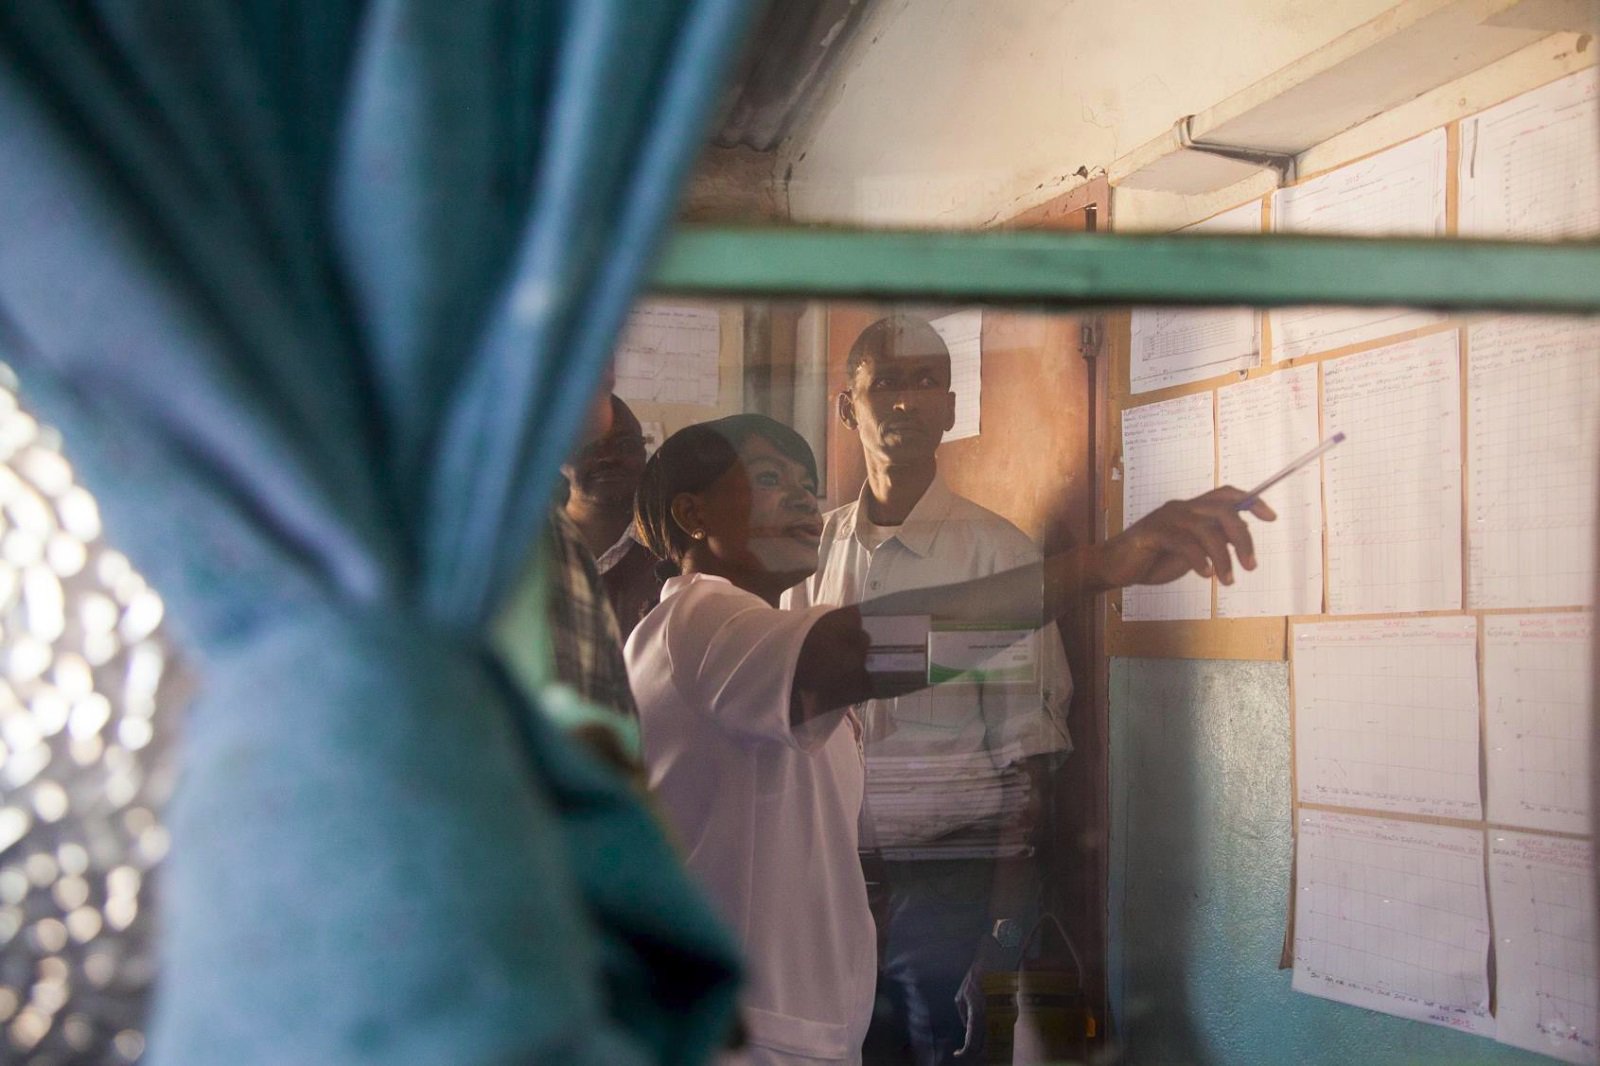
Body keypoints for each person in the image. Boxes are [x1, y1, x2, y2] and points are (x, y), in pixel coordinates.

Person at [627, 412, 1271, 1066]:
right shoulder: (701, 620)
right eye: (769, 479)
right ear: (692, 513)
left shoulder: (741, 639)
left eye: (807, 484)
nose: (803, 500)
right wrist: (1097, 567)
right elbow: (867, 649)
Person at [784, 314, 1270, 1064]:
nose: (906, 401)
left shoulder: (1000, 560)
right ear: (848, 407)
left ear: (951, 407)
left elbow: (1030, 764)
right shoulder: (806, 558)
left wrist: (1001, 931)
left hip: (950, 888)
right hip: (828, 878)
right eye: (885, 384)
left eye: (926, 382)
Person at [560, 393, 663, 641]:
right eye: (589, 446)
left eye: (625, 445)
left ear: (643, 451)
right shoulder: (523, 550)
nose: (609, 457)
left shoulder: (672, 551)